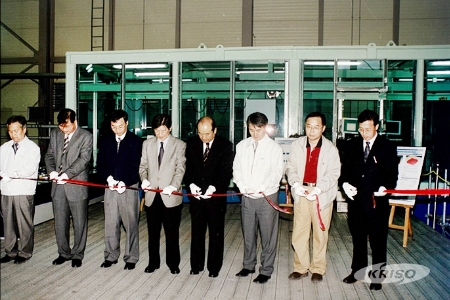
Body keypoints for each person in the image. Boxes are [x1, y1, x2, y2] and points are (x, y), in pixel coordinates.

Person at [339, 109, 398, 290]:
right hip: (356, 202)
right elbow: (345, 173)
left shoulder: (387, 146)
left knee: (378, 241)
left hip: (376, 202)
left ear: (377, 127)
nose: (364, 133)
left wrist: (385, 188)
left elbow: (392, 175)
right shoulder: (352, 145)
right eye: (361, 129)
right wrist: (344, 184)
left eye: (368, 129)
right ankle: (357, 270)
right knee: (358, 239)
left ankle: (378, 276)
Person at [285, 112, 340, 283]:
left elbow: (333, 174)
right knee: (299, 234)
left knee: (320, 234)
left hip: (320, 196)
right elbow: (290, 168)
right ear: (305, 126)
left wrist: (318, 189)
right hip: (302, 193)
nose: (312, 130)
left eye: (316, 127)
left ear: (323, 128)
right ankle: (301, 267)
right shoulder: (297, 145)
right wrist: (295, 185)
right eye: (309, 126)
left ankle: (318, 268)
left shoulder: (331, 149)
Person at [233, 112, 284, 284]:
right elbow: (237, 169)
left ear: (265, 127)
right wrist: (241, 185)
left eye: (258, 130)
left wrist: (263, 187)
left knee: (268, 234)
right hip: (247, 195)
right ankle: (248, 265)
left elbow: (276, 172)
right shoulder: (242, 146)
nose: (255, 133)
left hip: (266, 196)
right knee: (248, 233)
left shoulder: (274, 148)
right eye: (251, 129)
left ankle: (266, 269)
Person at [184, 116, 234, 278]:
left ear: (215, 130)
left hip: (215, 198)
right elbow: (188, 168)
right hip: (196, 197)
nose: (203, 137)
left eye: (207, 134)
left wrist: (213, 188)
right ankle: (196, 266)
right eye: (200, 133)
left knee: (215, 234)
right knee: (197, 232)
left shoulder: (225, 146)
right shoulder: (191, 143)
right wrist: (191, 184)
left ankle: (214, 268)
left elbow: (226, 172)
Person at [45, 108, 93, 268]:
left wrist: (66, 175)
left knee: (79, 222)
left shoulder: (86, 136)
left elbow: (84, 159)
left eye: (67, 126)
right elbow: (49, 155)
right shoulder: (55, 134)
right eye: (61, 127)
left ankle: (78, 254)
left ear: (75, 122)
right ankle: (63, 253)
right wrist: (51, 171)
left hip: (76, 185)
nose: (63, 130)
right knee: (60, 222)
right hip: (57, 186)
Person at [139, 114, 186, 274]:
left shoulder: (179, 145)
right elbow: (143, 166)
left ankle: (173, 263)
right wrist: (144, 180)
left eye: (163, 131)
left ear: (170, 128)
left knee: (171, 232)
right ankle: (153, 263)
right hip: (152, 195)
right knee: (153, 232)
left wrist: (173, 186)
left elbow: (180, 169)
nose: (160, 134)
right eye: (157, 131)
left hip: (170, 196)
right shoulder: (147, 144)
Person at [96, 110, 142, 270]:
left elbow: (136, 166)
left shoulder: (136, 141)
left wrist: (125, 182)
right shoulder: (106, 141)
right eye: (114, 126)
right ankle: (111, 255)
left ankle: (131, 257)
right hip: (111, 187)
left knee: (130, 223)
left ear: (127, 123)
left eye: (120, 126)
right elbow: (100, 163)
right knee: (110, 223)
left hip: (128, 187)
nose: (117, 130)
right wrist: (108, 178)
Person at [0, 115, 40, 264]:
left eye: (16, 130)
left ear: (24, 129)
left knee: (24, 223)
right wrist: (2, 174)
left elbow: (29, 169)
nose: (13, 134)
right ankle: (10, 251)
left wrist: (13, 174)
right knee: (8, 223)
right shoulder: (3, 148)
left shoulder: (33, 148)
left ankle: (24, 252)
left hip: (23, 190)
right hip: (6, 190)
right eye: (10, 131)